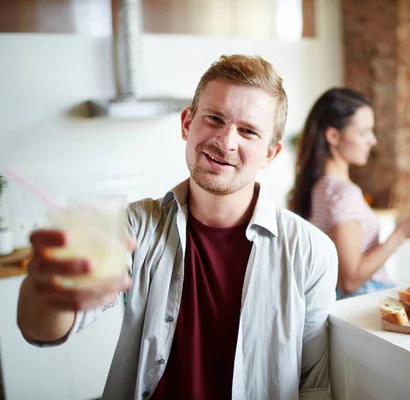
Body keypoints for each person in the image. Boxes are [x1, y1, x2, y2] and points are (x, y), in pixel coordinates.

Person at [16, 55, 338, 399]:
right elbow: (44, 330)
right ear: (187, 123)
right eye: (215, 118)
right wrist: (47, 292)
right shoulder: (135, 226)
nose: (227, 141)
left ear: (270, 154)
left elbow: (313, 385)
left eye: (248, 131)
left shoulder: (310, 251)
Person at [289, 88, 410, 299]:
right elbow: (350, 280)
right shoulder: (344, 194)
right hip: (362, 300)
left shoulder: (318, 188)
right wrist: (402, 233)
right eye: (363, 132)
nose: (373, 140)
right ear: (333, 136)